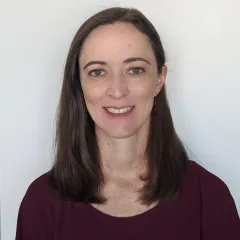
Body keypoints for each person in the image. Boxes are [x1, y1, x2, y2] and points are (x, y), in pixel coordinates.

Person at [15, 7, 240, 240]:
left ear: (160, 79)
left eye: (135, 70)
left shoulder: (210, 198)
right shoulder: (41, 204)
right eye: (98, 72)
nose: (117, 90)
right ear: (79, 84)